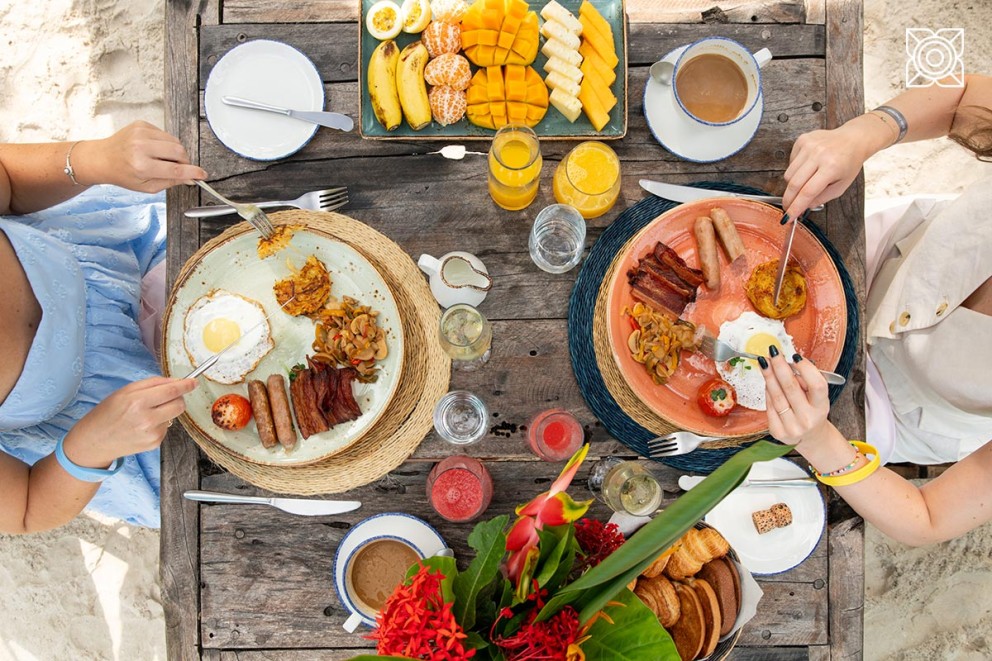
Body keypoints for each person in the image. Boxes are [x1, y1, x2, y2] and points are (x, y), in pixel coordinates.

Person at [760, 74, 992, 546]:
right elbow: (965, 98)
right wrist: (863, 134)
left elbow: (928, 519)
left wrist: (819, 441)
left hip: (886, 410)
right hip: (880, 253)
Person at [0, 121, 208, 534]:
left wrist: (95, 158)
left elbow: (7, 178)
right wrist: (91, 447)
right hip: (121, 417)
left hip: (125, 249)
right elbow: (26, 509)